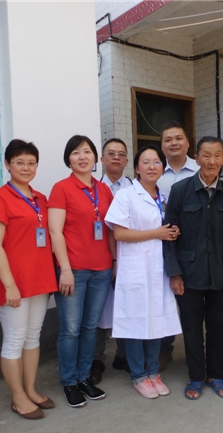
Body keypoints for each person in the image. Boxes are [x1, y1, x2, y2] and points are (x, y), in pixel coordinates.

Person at [164, 136, 223, 400]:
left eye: (217, 155)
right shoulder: (180, 191)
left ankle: (217, 374)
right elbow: (169, 235)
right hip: (188, 274)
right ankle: (196, 377)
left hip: (220, 275)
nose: (212, 161)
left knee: (219, 326)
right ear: (196, 158)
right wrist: (174, 273)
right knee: (192, 327)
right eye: (206, 155)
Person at [0, 140, 58, 420]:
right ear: (7, 164)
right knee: (14, 340)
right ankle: (17, 397)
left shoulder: (40, 199)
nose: (26, 168)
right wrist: (10, 284)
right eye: (19, 162)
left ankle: (30, 389)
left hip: (39, 280)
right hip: (14, 283)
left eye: (31, 163)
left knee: (32, 337)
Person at [105, 144, 182, 398]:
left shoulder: (165, 197)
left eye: (157, 162)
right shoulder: (126, 195)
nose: (152, 166)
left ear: (163, 167)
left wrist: (173, 233)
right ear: (136, 168)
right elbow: (119, 233)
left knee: (156, 321)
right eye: (146, 162)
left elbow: (170, 228)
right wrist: (157, 233)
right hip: (135, 269)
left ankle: (154, 371)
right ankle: (139, 374)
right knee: (137, 322)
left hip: (159, 269)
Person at [48, 135, 116, 407]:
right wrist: (64, 269)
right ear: (69, 159)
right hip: (73, 270)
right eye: (76, 153)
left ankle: (84, 377)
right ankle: (69, 382)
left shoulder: (104, 190)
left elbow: (110, 230)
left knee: (90, 328)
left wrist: (113, 262)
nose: (82, 157)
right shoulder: (61, 188)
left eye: (87, 152)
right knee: (71, 329)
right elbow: (55, 231)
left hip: (101, 269)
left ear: (96, 158)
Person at [155, 120, 199, 370]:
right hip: (161, 240)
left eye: (178, 138)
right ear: (162, 145)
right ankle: (164, 347)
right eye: (168, 139)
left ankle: (197, 352)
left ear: (187, 142)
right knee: (164, 296)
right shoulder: (154, 172)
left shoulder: (199, 169)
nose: (173, 143)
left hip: (193, 243)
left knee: (192, 301)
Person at [91, 138, 133, 384]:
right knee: (100, 310)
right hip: (100, 259)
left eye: (121, 154)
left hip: (128, 259)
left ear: (127, 161)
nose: (116, 157)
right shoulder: (94, 189)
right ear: (102, 160)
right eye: (111, 153)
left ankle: (123, 355)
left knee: (125, 307)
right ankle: (97, 359)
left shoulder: (135, 188)